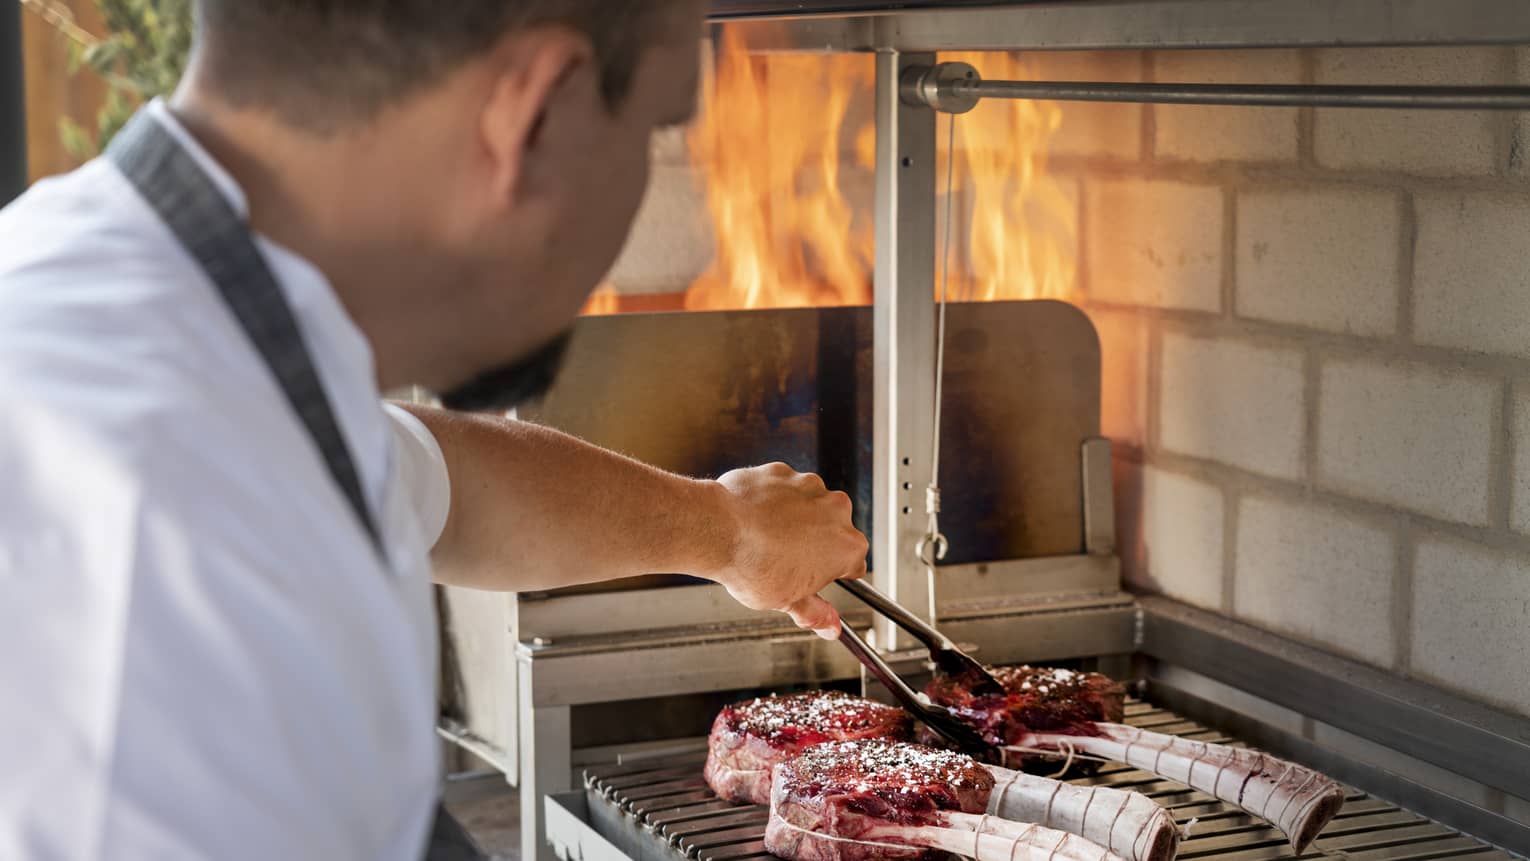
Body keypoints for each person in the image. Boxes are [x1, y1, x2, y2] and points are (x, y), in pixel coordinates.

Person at [0, 2, 869, 858]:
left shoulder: (153, 321)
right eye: (654, 127)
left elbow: (452, 492)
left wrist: (724, 529)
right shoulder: (181, 528)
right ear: (535, 110)